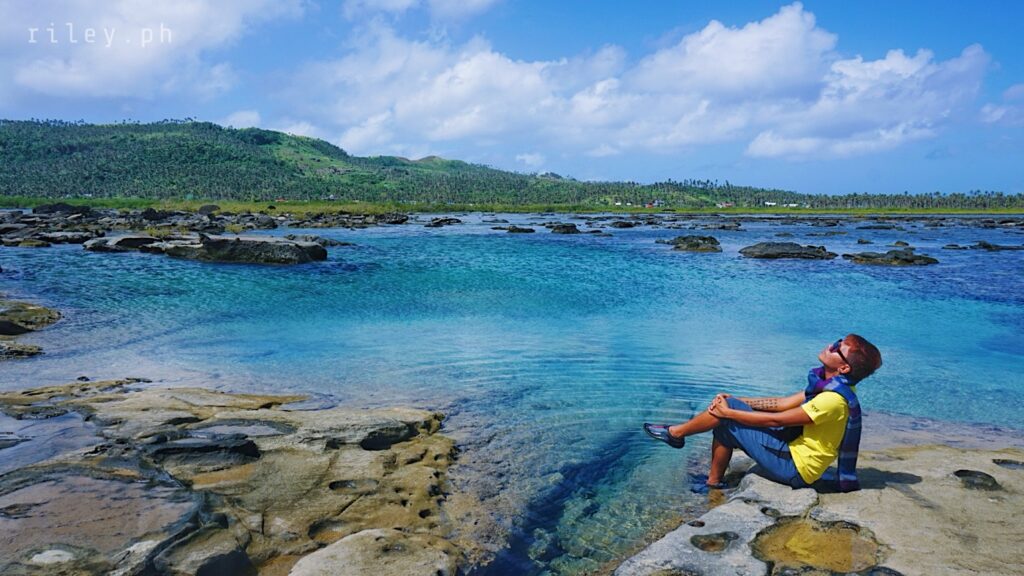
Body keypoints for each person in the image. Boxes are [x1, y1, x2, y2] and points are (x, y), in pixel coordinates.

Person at [643, 334, 882, 492]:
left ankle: (676, 434)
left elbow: (775, 419)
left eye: (837, 348)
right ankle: (712, 482)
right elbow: (780, 404)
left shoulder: (832, 400)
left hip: (796, 470)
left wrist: (729, 412)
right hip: (792, 452)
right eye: (837, 341)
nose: (831, 345)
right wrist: (735, 400)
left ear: (843, 367)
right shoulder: (826, 387)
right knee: (727, 417)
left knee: (725, 421)